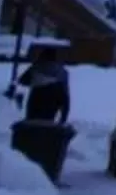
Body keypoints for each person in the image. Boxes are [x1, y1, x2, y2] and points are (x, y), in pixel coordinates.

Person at [13, 42, 72, 183]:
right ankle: (45, 161)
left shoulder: (36, 68)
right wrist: (64, 115)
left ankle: (29, 161)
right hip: (53, 105)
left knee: (32, 132)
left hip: (35, 103)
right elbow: (65, 97)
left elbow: (22, 81)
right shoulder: (62, 73)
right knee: (48, 133)